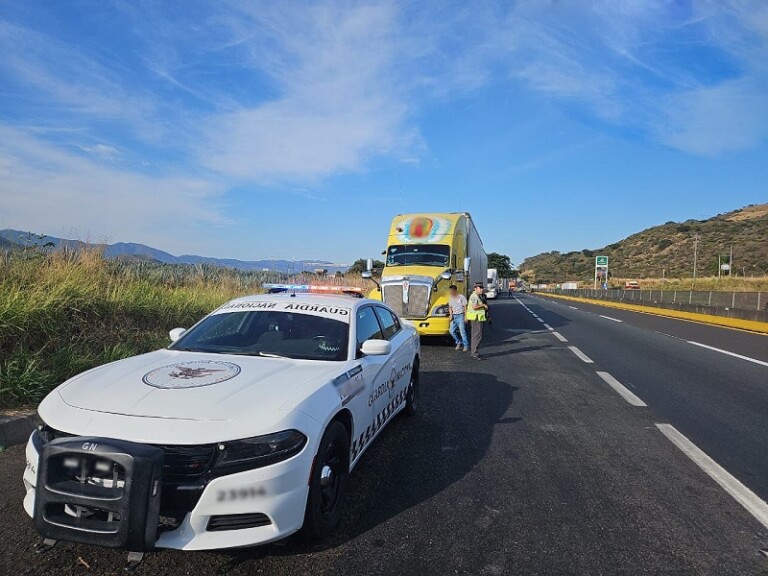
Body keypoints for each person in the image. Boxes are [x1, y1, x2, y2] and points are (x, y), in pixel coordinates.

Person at [466, 283, 489, 360]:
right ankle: (474, 353)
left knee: (476, 336)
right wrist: (483, 305)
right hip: (476, 319)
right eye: (480, 288)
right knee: (477, 336)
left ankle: (475, 352)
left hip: (478, 318)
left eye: (482, 288)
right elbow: (474, 307)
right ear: (475, 288)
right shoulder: (474, 296)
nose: (482, 289)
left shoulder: (478, 296)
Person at [447, 285, 469, 352]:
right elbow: (450, 307)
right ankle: (459, 342)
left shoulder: (461, 297)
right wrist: (451, 315)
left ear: (455, 290)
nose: (451, 292)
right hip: (454, 316)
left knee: (462, 332)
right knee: (451, 331)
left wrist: (466, 317)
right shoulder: (450, 298)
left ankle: (466, 345)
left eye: (452, 291)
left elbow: (465, 307)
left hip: (461, 316)